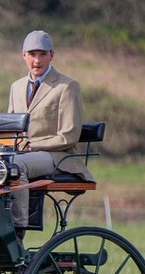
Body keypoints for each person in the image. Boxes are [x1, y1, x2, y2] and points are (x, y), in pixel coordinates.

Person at [7, 30, 95, 239]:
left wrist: (34, 146)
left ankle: (17, 231)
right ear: (23, 55)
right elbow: (11, 126)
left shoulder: (67, 86)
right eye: (32, 54)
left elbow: (69, 136)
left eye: (42, 54)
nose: (37, 61)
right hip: (22, 153)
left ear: (51, 55)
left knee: (17, 166)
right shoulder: (16, 87)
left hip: (58, 156)